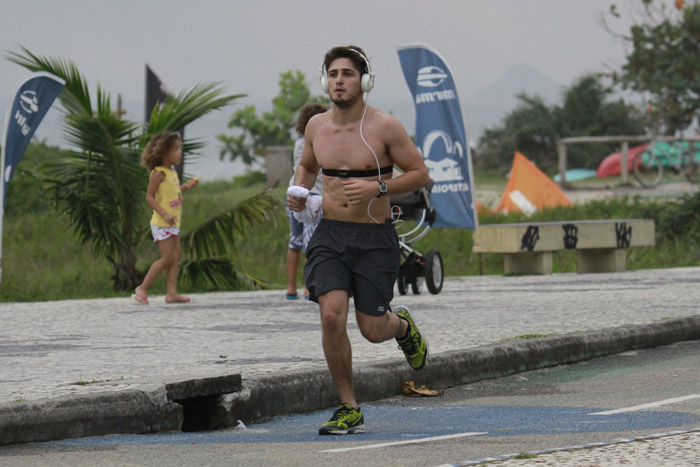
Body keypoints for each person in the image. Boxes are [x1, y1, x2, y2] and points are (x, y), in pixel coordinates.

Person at [287, 45, 431, 435]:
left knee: (371, 328)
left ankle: (401, 327)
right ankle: (348, 406)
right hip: (330, 234)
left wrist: (378, 186)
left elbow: (420, 174)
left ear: (364, 81)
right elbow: (306, 166)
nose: (339, 81)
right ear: (324, 80)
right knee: (331, 315)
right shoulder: (317, 127)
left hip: (374, 237)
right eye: (333, 73)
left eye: (347, 74)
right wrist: (297, 191)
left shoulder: (384, 127)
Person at [134, 132, 198, 305]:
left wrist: (185, 187)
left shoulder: (172, 173)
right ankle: (142, 287)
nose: (180, 152)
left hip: (173, 222)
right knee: (167, 257)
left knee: (176, 256)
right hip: (162, 223)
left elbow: (171, 195)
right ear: (164, 152)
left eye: (180, 149)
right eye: (176, 149)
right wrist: (164, 214)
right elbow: (149, 197)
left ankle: (171, 293)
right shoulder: (159, 174)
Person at [285, 103, 328, 300]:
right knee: (311, 244)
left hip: (293, 193)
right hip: (312, 196)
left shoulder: (298, 143)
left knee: (295, 242)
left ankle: (290, 287)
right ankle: (309, 286)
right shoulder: (319, 142)